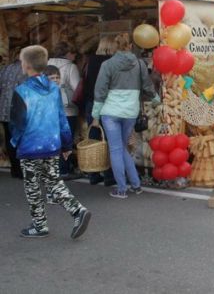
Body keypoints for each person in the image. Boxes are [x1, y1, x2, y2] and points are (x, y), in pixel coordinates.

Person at [10, 45, 91, 239]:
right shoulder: (54, 89)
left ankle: (39, 225)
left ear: (27, 65)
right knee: (53, 181)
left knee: (33, 186)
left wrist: (15, 142)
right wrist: (66, 145)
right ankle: (78, 211)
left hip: (30, 146)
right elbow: (62, 119)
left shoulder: (21, 91)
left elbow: (17, 123)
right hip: (52, 144)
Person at [92, 33, 159, 199]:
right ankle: (135, 185)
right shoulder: (139, 63)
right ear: (130, 46)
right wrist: (156, 98)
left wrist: (95, 114)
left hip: (111, 112)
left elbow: (100, 91)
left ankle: (121, 189)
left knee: (115, 150)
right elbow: (147, 85)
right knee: (122, 148)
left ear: (115, 47)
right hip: (130, 111)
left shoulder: (107, 64)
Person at [83, 36, 117, 186]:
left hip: (91, 103)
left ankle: (93, 173)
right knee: (109, 139)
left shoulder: (91, 61)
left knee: (94, 138)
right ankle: (110, 175)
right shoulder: (110, 62)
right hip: (107, 103)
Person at [48, 42, 81, 178]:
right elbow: (77, 89)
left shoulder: (45, 65)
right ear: (67, 53)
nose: (74, 56)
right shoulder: (70, 67)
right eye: (73, 53)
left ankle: (51, 170)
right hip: (67, 110)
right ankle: (64, 170)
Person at [0, 48, 27, 178]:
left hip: (4, 110)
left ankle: (15, 169)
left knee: (10, 140)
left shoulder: (5, 69)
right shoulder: (25, 70)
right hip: (18, 110)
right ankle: (22, 170)